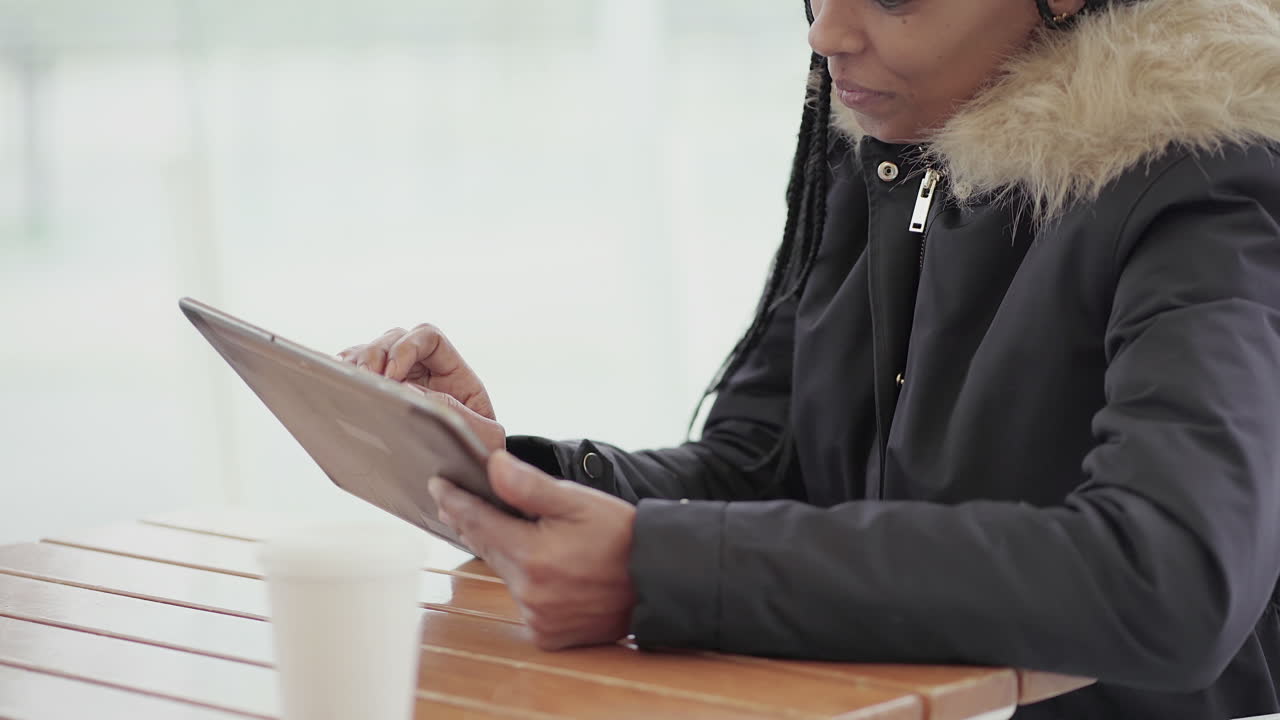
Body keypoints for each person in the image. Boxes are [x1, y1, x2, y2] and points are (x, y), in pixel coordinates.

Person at [338, 0, 1280, 716]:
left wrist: (664, 571)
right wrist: (516, 474)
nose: (825, 31)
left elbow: (1170, 576)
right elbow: (766, 464)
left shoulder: (1207, 181)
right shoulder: (892, 148)